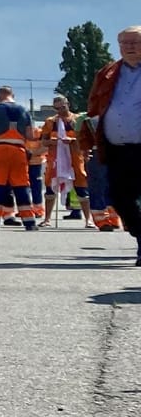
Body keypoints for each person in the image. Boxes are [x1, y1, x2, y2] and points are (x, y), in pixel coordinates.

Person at [85, 25, 141, 265]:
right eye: (124, 43)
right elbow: (94, 106)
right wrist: (87, 139)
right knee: (118, 197)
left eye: (135, 42)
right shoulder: (108, 72)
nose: (129, 47)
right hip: (116, 148)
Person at [0, 86, 41, 231]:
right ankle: (30, 222)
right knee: (21, 186)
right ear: (13, 95)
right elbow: (30, 135)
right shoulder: (24, 110)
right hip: (19, 151)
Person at [43, 95, 85, 224]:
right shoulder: (51, 122)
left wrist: (72, 140)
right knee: (50, 187)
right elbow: (44, 141)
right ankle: (47, 219)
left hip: (75, 158)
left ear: (68, 104)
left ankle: (88, 220)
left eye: (62, 107)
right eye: (57, 109)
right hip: (55, 158)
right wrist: (52, 142)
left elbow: (85, 139)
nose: (60, 111)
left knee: (81, 187)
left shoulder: (77, 120)